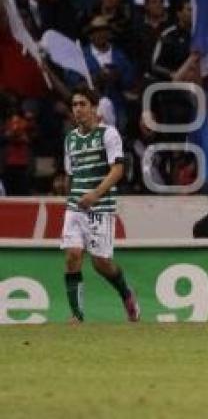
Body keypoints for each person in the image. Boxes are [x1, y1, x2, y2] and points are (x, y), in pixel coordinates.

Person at [61, 85, 140, 323]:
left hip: (100, 207)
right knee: (73, 256)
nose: (77, 109)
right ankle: (77, 315)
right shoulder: (71, 139)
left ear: (94, 108)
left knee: (101, 263)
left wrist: (95, 194)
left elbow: (118, 170)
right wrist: (69, 198)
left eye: (82, 104)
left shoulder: (108, 134)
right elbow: (71, 174)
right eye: (74, 105)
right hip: (76, 207)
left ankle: (126, 293)